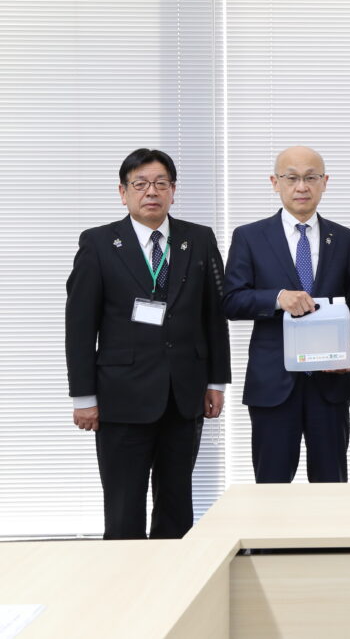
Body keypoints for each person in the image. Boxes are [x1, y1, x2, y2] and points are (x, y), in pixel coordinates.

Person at [65, 148, 230, 539]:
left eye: (160, 183)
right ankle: (124, 578)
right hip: (121, 398)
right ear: (123, 192)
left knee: (177, 507)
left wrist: (216, 382)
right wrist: (83, 397)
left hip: (183, 395)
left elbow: (214, 315)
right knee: (123, 510)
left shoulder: (199, 239)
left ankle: (174, 576)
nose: (151, 192)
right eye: (139, 184)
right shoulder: (99, 243)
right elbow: (80, 326)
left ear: (173, 190)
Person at [223, 146, 350, 484]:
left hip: (330, 382)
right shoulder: (249, 236)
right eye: (292, 178)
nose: (302, 186)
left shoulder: (344, 239)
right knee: (272, 487)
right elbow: (231, 300)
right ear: (275, 182)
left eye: (311, 178)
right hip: (273, 383)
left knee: (331, 486)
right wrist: (277, 298)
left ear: (324, 182)